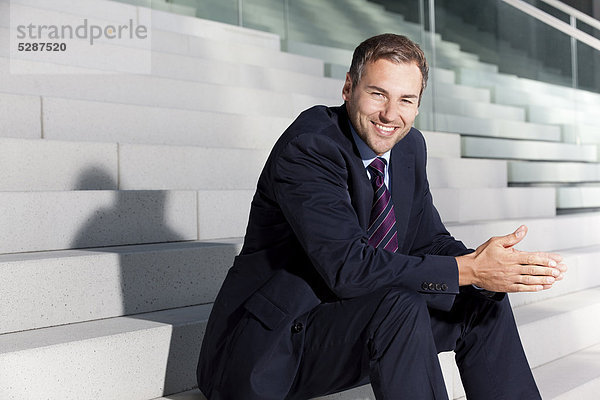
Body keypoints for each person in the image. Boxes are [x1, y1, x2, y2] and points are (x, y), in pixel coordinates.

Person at [196, 33, 567, 399]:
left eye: (406, 99)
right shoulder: (311, 148)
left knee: (481, 298)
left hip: (346, 325)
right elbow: (348, 267)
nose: (391, 114)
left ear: (418, 105)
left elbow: (428, 241)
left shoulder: (408, 147)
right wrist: (468, 270)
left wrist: (484, 266)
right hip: (270, 350)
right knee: (401, 305)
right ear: (348, 88)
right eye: (378, 94)